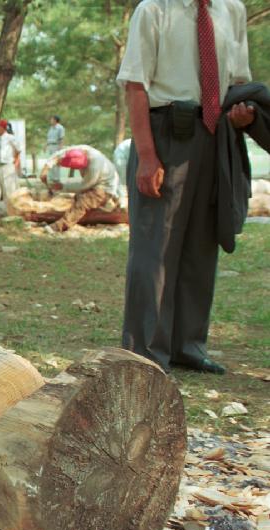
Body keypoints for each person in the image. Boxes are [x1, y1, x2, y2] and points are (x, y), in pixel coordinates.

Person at [117, 0, 254, 375]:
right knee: (155, 248)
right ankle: (146, 352)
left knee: (201, 242)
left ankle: (188, 346)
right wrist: (147, 156)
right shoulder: (154, 10)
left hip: (216, 135)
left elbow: (238, 82)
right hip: (165, 135)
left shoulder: (232, 10)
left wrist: (244, 115)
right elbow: (135, 85)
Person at [38, 145, 121, 232]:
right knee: (78, 198)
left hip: (105, 187)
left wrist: (62, 186)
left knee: (84, 201)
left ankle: (58, 227)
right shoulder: (79, 149)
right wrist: (46, 168)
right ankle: (92, 213)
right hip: (97, 182)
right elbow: (58, 155)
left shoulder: (95, 166)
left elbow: (84, 186)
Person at [45, 115, 65, 183]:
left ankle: (56, 178)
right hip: (50, 146)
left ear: (55, 120)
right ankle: (51, 177)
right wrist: (46, 145)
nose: (51, 121)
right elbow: (48, 138)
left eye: (52, 119)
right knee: (50, 161)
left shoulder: (60, 128)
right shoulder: (51, 128)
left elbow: (61, 138)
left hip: (56, 146)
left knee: (56, 162)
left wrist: (61, 148)